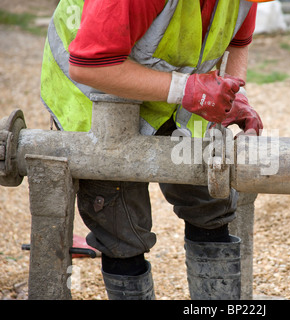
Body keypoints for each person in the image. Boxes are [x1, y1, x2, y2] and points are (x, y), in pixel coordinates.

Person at [40, 0, 272, 300]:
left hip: (174, 90)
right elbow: (90, 65)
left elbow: (237, 43)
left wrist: (233, 92)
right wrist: (187, 90)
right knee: (119, 224)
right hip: (95, 93)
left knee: (210, 198)